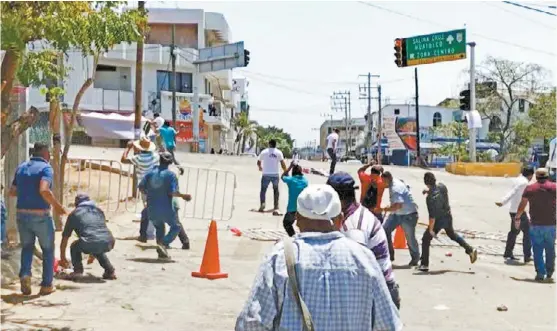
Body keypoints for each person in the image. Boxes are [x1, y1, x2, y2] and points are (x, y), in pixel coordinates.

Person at [235, 185, 401, 331]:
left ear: (297, 219)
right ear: (340, 220)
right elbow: (388, 325)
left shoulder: (280, 257)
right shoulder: (365, 259)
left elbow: (251, 324)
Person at [326, 172, 400, 309]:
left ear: (336, 198)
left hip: (378, 292)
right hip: (374, 286)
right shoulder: (351, 214)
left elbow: (356, 270)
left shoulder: (355, 228)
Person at [9, 142, 66, 296]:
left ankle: (25, 274)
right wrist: (58, 206)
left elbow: (12, 191)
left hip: (21, 214)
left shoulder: (21, 167)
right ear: (45, 153)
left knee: (27, 247)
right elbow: (44, 190)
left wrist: (27, 193)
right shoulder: (46, 168)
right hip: (41, 215)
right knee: (48, 249)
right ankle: (47, 285)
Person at [418, 172, 477, 272]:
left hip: (438, 220)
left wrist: (431, 230)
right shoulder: (442, 186)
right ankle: (470, 250)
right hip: (448, 216)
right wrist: (429, 191)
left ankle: (424, 264)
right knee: (452, 235)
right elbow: (437, 193)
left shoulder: (430, 199)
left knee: (426, 238)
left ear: (426, 183)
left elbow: (432, 217)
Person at [139, 152, 192, 259]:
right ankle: (162, 244)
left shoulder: (150, 173)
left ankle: (161, 252)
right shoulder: (171, 175)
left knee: (159, 228)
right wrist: (183, 196)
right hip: (166, 208)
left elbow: (141, 187)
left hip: (151, 209)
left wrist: (151, 193)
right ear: (170, 162)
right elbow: (173, 192)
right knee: (176, 227)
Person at [59, 193, 116, 280]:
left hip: (91, 242)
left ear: (76, 204)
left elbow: (65, 238)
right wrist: (92, 255)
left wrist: (62, 258)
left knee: (74, 246)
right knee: (96, 245)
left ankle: (78, 271)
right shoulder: (99, 211)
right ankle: (110, 271)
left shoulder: (74, 214)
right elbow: (97, 232)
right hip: (109, 241)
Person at [515, 168, 556, 281]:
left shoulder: (530, 188)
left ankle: (540, 273)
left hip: (535, 224)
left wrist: (517, 216)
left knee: (537, 249)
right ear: (548, 176)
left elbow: (522, 204)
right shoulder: (554, 187)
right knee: (550, 249)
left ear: (536, 177)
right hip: (551, 224)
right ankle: (549, 272)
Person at [121, 135, 158, 243]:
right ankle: (152, 232)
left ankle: (149, 233)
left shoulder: (138, 159)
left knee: (147, 209)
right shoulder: (155, 156)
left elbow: (123, 160)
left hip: (145, 187)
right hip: (156, 185)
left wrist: (128, 148)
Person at [380, 171, 420, 266]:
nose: (383, 183)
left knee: (410, 238)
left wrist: (385, 209)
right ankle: (390, 255)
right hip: (397, 214)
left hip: (408, 215)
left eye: (383, 181)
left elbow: (398, 205)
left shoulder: (395, 188)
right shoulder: (394, 182)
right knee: (385, 230)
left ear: (388, 179)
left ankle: (415, 258)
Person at [496, 166, 534, 262]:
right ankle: (527, 255)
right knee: (528, 233)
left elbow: (511, 192)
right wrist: (503, 201)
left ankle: (508, 252)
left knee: (514, 232)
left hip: (513, 210)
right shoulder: (524, 183)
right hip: (520, 211)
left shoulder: (517, 180)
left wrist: (503, 201)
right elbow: (513, 192)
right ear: (530, 175)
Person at [257, 139, 287, 214]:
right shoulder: (278, 152)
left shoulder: (264, 152)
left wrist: (260, 167)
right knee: (276, 190)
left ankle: (262, 204)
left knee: (263, 190)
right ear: (275, 145)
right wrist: (285, 171)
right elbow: (282, 163)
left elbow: (258, 161)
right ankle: (276, 206)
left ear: (269, 144)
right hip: (275, 174)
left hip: (266, 174)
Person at [280, 162, 308, 236]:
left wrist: (290, 166)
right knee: (303, 225)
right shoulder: (305, 181)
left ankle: (293, 237)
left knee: (286, 223)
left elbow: (282, 177)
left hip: (292, 208)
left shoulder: (291, 180)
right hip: (303, 207)